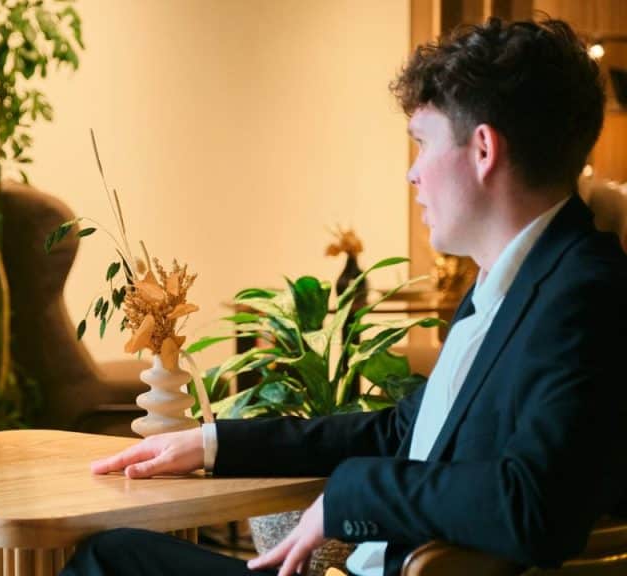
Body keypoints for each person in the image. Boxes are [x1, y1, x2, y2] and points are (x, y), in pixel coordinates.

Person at [63, 17, 627, 576]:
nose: (413, 175)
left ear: (483, 150)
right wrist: (213, 443)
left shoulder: (584, 294)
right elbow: (403, 432)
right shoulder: (517, 280)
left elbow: (536, 507)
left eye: (423, 143)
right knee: (112, 553)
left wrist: (351, 496)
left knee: (106, 562)